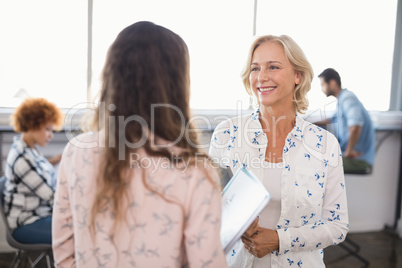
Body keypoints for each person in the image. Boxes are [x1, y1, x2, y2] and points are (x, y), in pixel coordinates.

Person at [52, 21, 228, 267]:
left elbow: (63, 252)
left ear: (111, 78)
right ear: (177, 85)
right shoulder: (195, 171)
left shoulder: (75, 151)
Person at [209, 35, 349, 267]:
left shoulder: (325, 144)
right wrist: (233, 223)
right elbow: (205, 211)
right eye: (255, 68)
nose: (262, 77)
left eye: (273, 67)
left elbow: (337, 226)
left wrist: (279, 240)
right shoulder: (227, 134)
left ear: (298, 76)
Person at [3, 97, 63, 244]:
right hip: (26, 223)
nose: (51, 135)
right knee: (77, 232)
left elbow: (36, 169)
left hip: (38, 215)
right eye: (47, 129)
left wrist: (56, 160)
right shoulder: (22, 158)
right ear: (32, 125)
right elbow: (52, 198)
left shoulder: (27, 149)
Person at [316, 68, 375, 174]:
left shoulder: (347, 98)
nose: (322, 89)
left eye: (323, 84)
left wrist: (348, 151)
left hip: (359, 159)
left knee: (315, 163)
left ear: (332, 83)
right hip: (353, 157)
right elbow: (330, 119)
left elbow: (356, 125)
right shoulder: (341, 100)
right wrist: (306, 122)